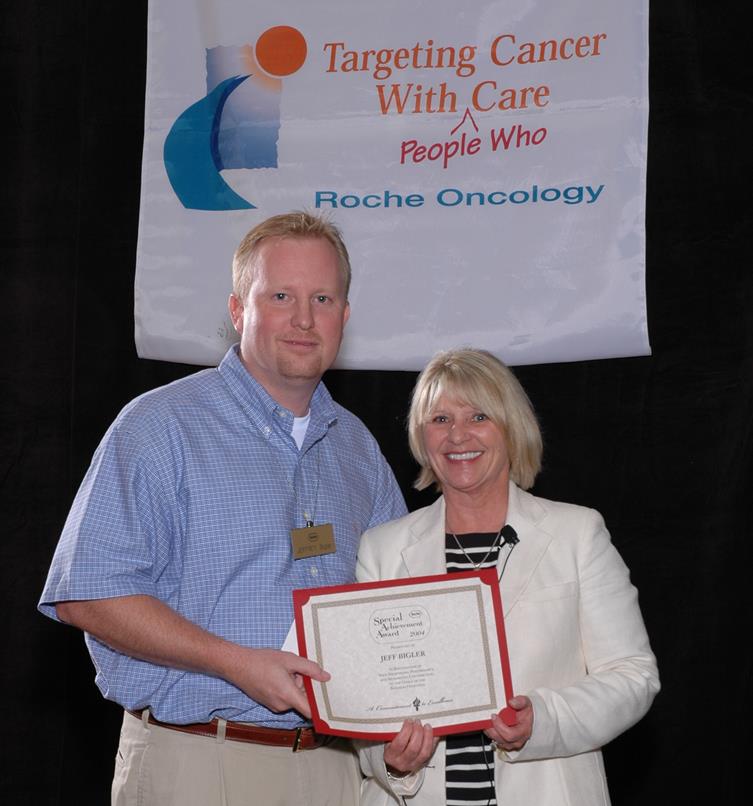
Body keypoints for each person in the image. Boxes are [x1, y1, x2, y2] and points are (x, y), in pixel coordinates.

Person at [38, 211, 407, 806]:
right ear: (238, 311)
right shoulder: (160, 426)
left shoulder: (358, 449)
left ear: (344, 316)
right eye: (281, 296)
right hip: (200, 763)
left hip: (338, 773)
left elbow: (396, 603)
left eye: (322, 298)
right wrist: (234, 662)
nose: (304, 318)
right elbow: (88, 595)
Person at [356, 348, 660, 806]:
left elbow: (633, 676)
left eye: (478, 416)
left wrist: (544, 719)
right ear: (421, 435)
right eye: (440, 419)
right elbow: (362, 703)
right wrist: (390, 759)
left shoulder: (577, 534)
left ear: (512, 426)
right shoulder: (381, 550)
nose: (458, 435)